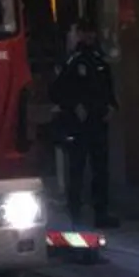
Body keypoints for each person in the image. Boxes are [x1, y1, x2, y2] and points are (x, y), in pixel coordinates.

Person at [49, 19, 119, 228]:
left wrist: (112, 107)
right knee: (77, 169)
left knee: (101, 169)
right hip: (79, 125)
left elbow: (108, 88)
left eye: (91, 33)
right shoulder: (72, 61)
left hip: (98, 122)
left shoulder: (99, 61)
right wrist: (74, 106)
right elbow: (57, 92)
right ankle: (74, 211)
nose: (89, 37)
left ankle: (101, 212)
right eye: (84, 33)